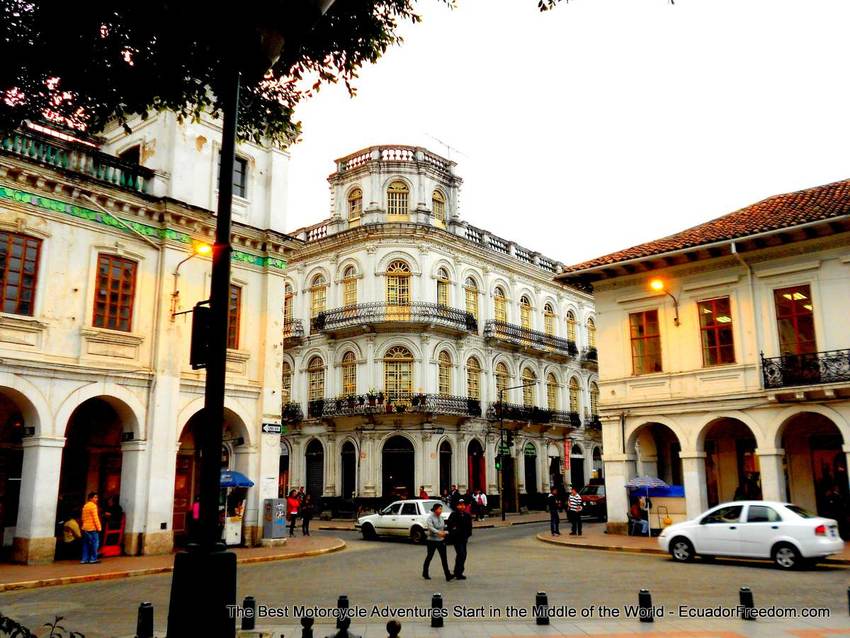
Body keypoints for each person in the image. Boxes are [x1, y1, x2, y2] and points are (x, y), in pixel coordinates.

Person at [422, 503, 453, 581]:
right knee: (429, 556)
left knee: (444, 558)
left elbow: (443, 527)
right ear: (435, 509)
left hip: (441, 540)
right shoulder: (430, 518)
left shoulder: (441, 517)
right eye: (439, 509)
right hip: (431, 541)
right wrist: (438, 532)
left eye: (441, 509)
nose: (441, 510)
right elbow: (430, 527)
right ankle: (425, 572)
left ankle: (447, 575)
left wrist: (445, 532)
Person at [446, 499, 473, 580]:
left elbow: (469, 527)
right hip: (456, 539)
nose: (462, 507)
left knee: (463, 555)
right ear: (457, 506)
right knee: (461, 554)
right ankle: (457, 572)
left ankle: (459, 571)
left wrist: (468, 535)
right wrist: (454, 533)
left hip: (464, 538)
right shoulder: (453, 515)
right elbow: (450, 526)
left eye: (463, 505)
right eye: (460, 505)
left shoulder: (467, 515)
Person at [81, 492, 102, 564]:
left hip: (85, 527)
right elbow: (95, 518)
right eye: (95, 497)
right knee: (95, 544)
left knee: (86, 544)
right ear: (91, 498)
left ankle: (84, 559)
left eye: (97, 497)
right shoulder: (93, 506)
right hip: (92, 528)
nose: (97, 499)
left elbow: (83, 518)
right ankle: (93, 558)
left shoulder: (85, 506)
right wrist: (99, 528)